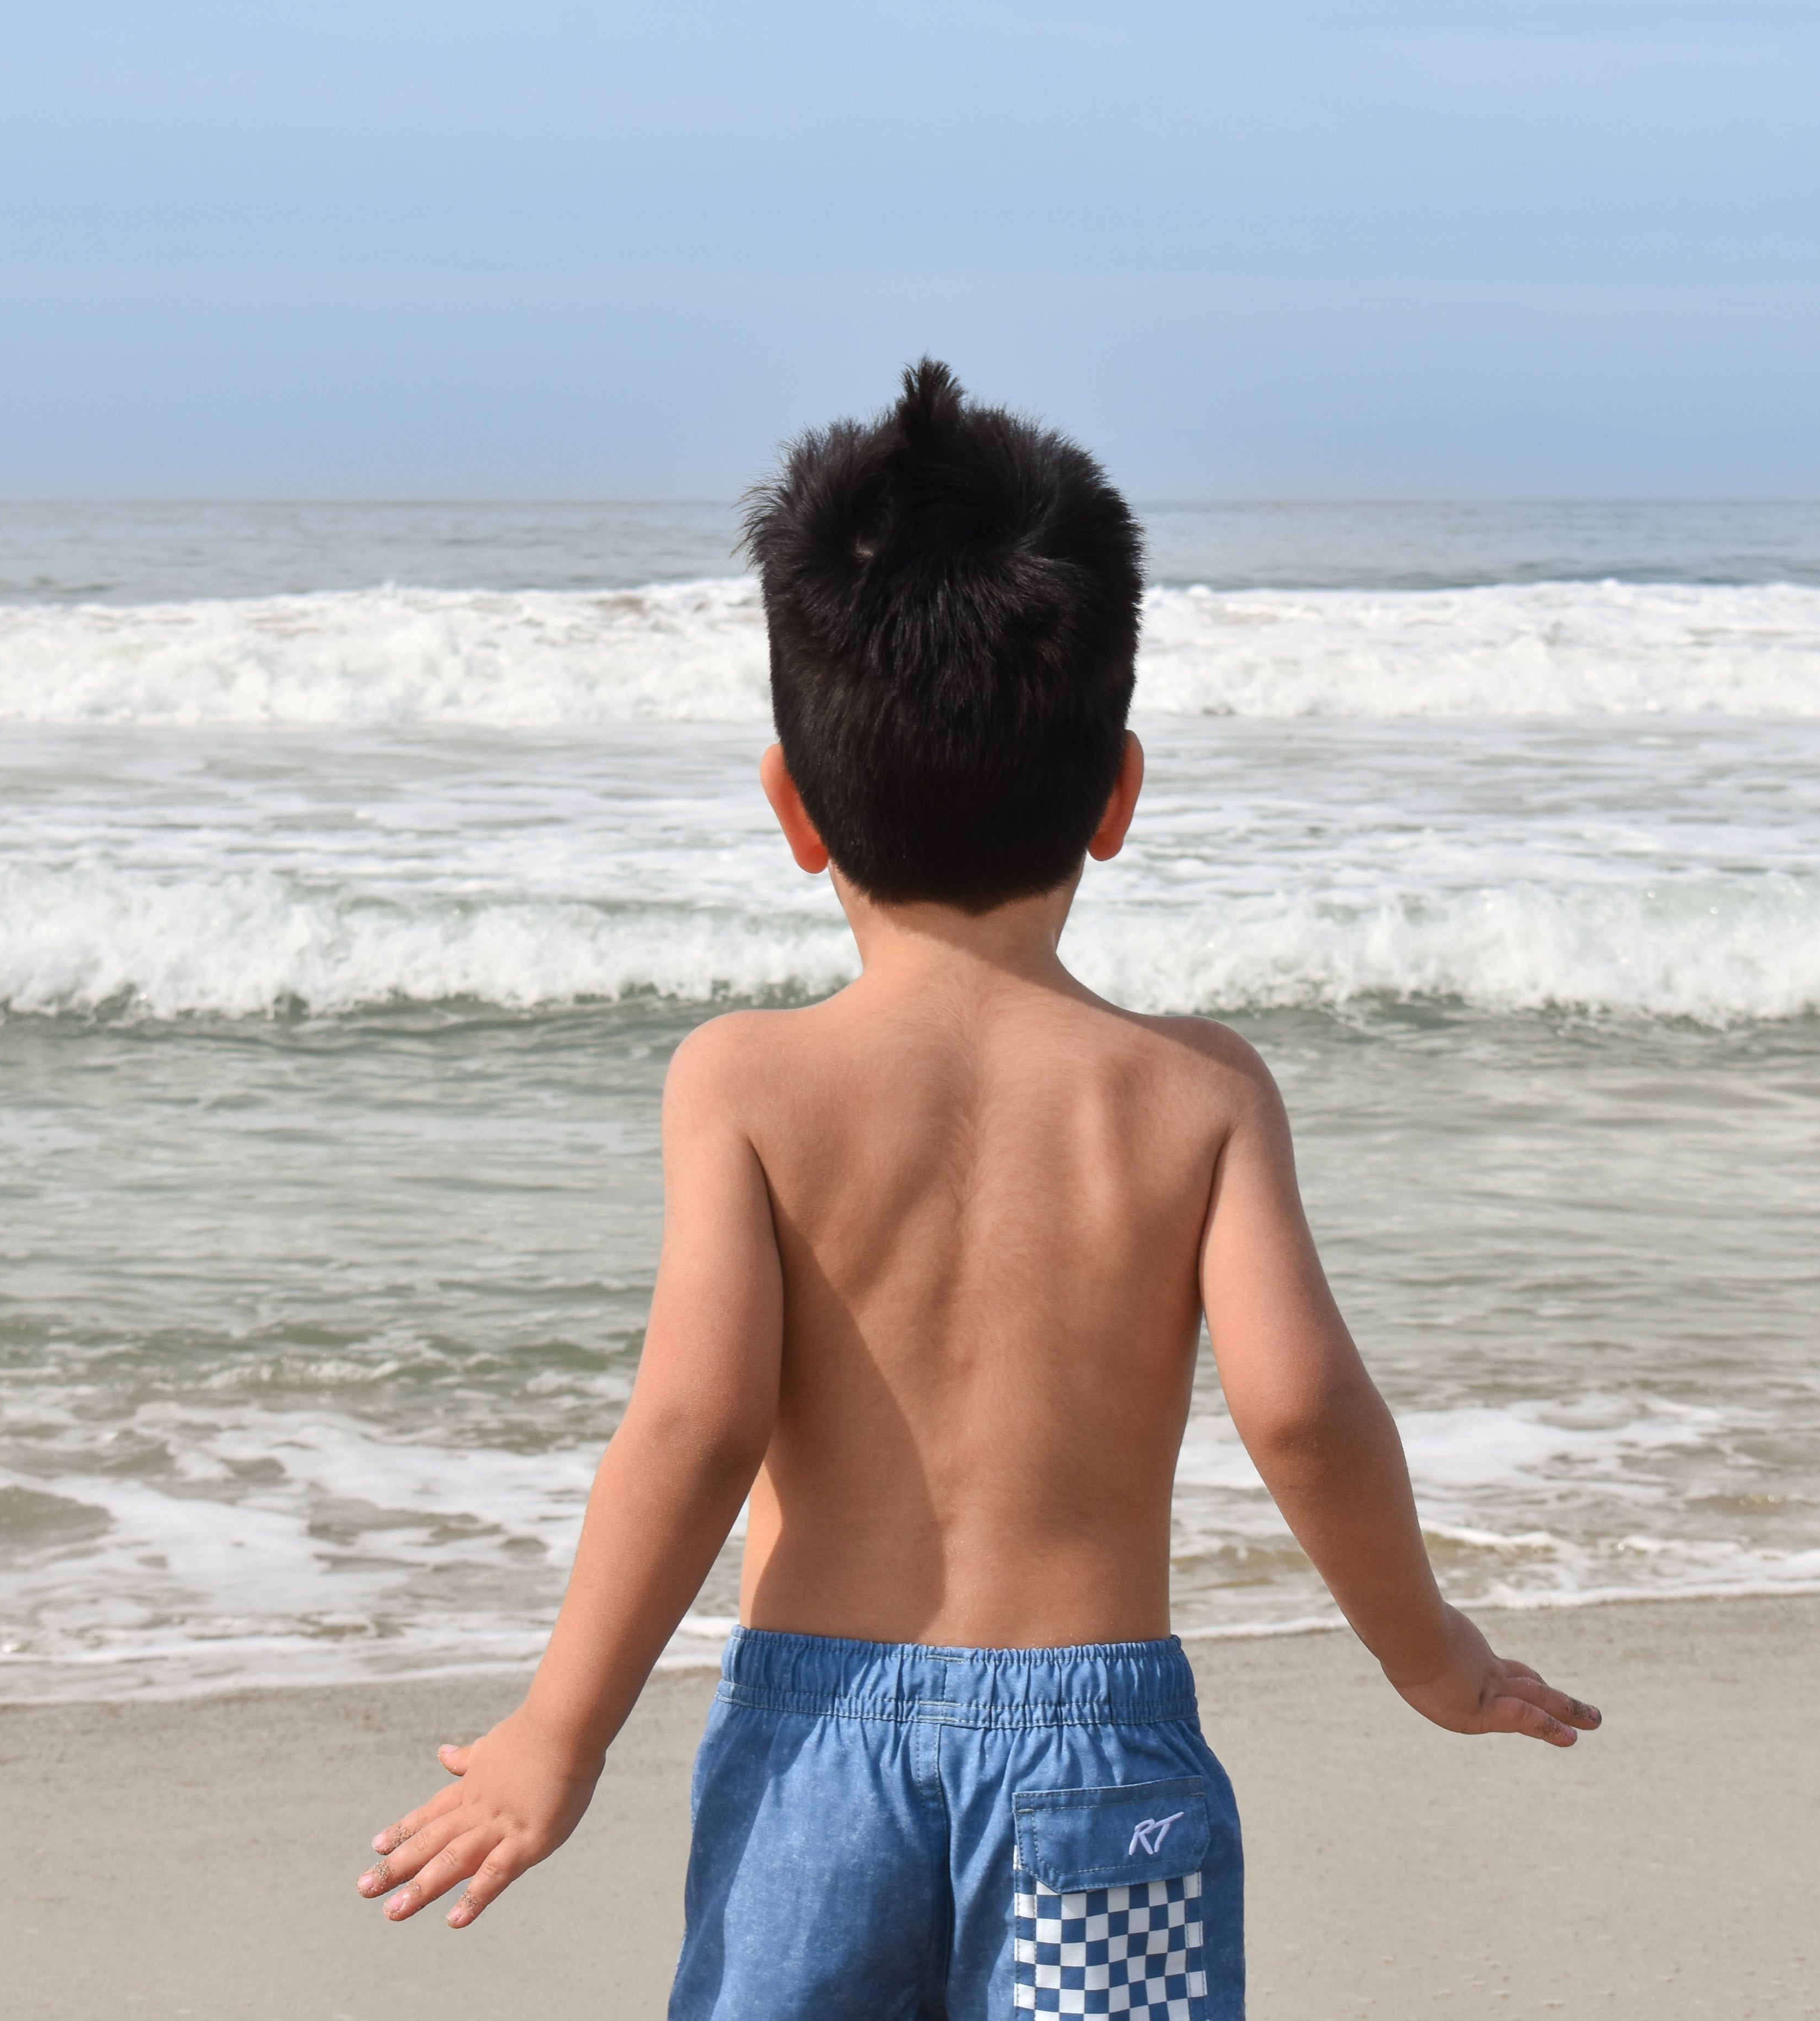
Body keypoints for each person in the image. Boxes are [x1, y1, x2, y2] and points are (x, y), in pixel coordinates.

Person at [355, 360, 1601, 2018]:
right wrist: (1427, 1652)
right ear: (1119, 794)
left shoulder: (744, 1081)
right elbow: (1302, 1412)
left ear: (793, 807)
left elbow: (697, 1423)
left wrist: (556, 1735)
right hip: (1102, 1763)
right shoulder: (1197, 1091)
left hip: (815, 1755)